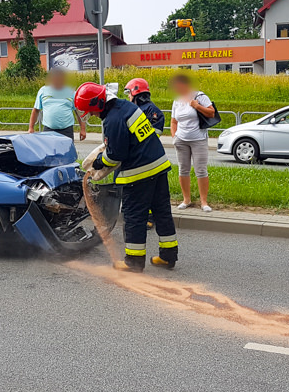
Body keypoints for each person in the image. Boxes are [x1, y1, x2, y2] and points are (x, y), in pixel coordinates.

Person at [75, 82, 178, 272]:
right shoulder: (127, 106)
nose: (93, 115)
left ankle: (134, 262)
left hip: (139, 174)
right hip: (159, 166)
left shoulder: (113, 119)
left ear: (98, 104)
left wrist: (98, 162)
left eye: (91, 111)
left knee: (134, 217)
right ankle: (168, 256)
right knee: (162, 212)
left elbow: (116, 155)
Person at [169, 74, 215, 212]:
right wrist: (174, 136)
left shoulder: (199, 96)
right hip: (181, 140)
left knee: (201, 170)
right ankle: (186, 199)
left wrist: (197, 106)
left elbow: (211, 113)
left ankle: (204, 202)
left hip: (198, 139)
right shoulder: (177, 100)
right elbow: (173, 121)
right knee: (183, 169)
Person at [124, 78, 165, 229]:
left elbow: (153, 135)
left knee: (146, 190)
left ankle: (149, 217)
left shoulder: (151, 111)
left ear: (136, 93)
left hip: (146, 157)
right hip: (137, 156)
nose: (128, 97)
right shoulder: (136, 109)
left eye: (129, 93)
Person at [28, 68, 86, 141]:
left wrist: (83, 129)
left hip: (66, 131)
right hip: (48, 130)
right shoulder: (43, 91)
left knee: (66, 152)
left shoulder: (71, 92)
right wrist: (31, 128)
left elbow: (79, 112)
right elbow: (36, 110)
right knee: (48, 152)